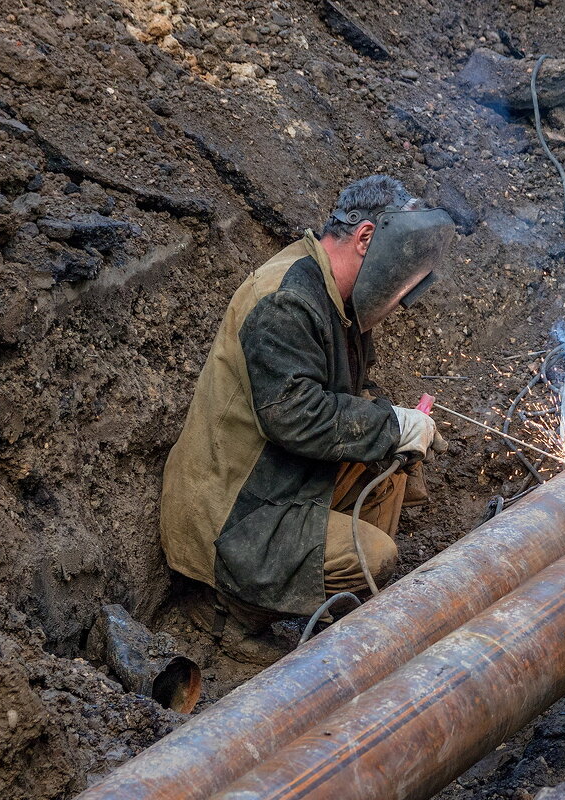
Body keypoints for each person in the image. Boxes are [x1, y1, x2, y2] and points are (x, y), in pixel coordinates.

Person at [159, 175, 455, 652]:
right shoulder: (286, 301)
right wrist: (391, 423)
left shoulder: (336, 298)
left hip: (281, 475)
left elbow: (342, 394)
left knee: (389, 467)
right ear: (365, 238)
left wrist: (391, 428)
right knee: (374, 554)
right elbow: (295, 416)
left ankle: (323, 597)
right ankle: (229, 613)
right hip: (233, 511)